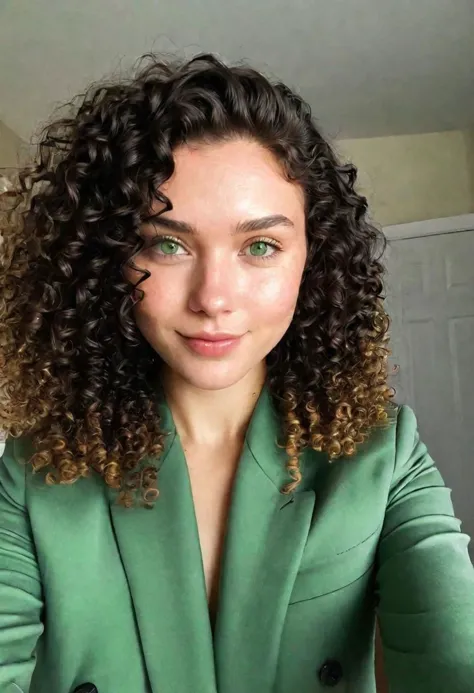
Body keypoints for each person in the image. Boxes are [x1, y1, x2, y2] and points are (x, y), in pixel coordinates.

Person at [0, 52, 473, 693]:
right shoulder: (31, 475)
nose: (213, 298)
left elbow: (451, 647)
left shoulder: (384, 455)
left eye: (260, 246)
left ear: (313, 259)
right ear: (106, 261)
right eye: (168, 244)